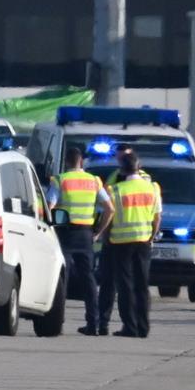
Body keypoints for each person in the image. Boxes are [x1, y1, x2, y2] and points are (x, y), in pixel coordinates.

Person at [46, 147, 114, 335]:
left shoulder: (60, 180)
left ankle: (56, 321)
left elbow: (49, 206)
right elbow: (110, 208)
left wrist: (49, 228)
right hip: (86, 234)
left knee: (61, 278)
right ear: (81, 161)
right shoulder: (94, 181)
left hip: (64, 233)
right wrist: (98, 232)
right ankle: (94, 324)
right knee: (88, 279)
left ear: (66, 161)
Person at [96, 144, 155, 334]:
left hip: (120, 242)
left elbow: (108, 212)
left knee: (126, 286)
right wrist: (152, 236)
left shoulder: (117, 188)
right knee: (141, 285)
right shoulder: (151, 186)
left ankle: (130, 326)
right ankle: (142, 327)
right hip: (143, 240)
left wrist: (104, 234)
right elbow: (157, 216)